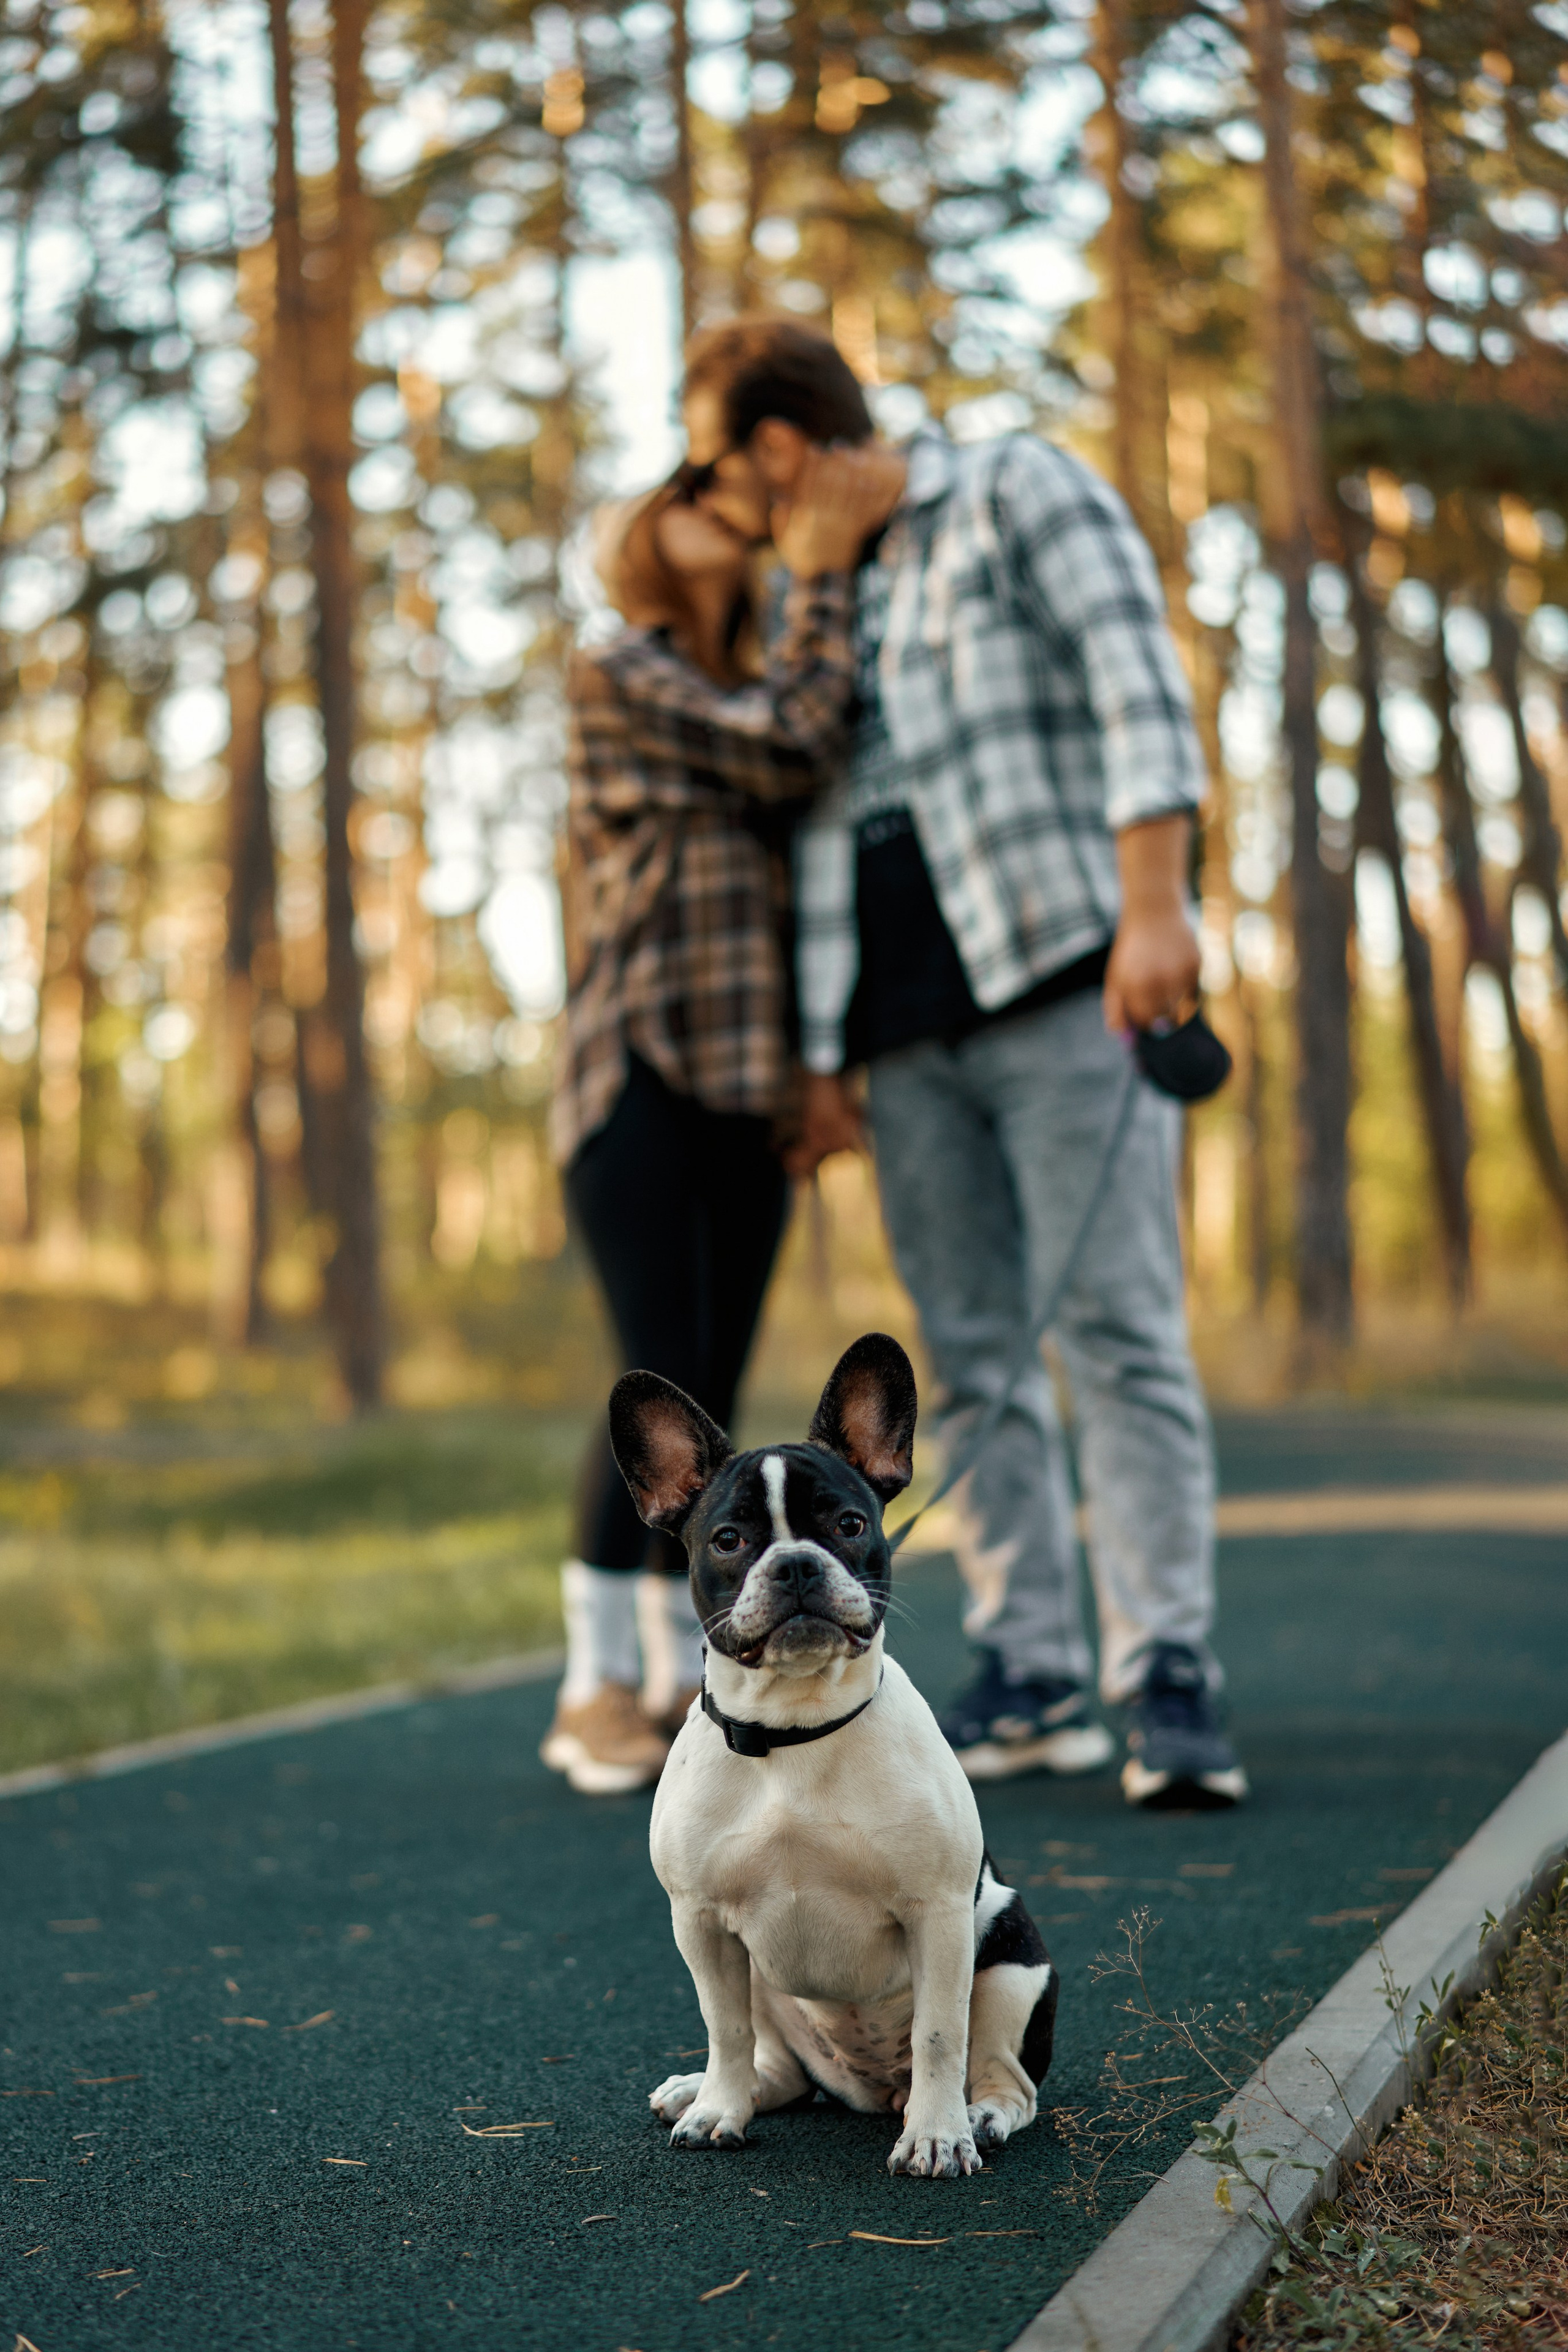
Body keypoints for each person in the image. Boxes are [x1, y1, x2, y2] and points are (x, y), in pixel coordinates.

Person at [678, 318, 1247, 1809]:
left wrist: (1154, 903)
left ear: (781, 448)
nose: (718, 502)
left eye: (721, 471)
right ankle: (1030, 1666)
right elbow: (805, 826)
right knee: (969, 1359)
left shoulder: (1012, 489)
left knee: (1115, 1328)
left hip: (1064, 977)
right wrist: (816, 1053)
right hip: (896, 1034)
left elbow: (1138, 685)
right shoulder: (798, 601)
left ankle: (1166, 1672)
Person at [543, 443, 890, 1796]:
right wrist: (816, 575)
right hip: (631, 1070)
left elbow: (803, 786)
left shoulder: (743, 690)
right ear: (647, 527)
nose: (717, 502)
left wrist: (819, 1072)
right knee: (659, 1374)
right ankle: (591, 1688)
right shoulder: (617, 668)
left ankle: (671, 1676)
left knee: (716, 1401)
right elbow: (795, 740)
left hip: (746, 1092)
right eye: (688, 485)